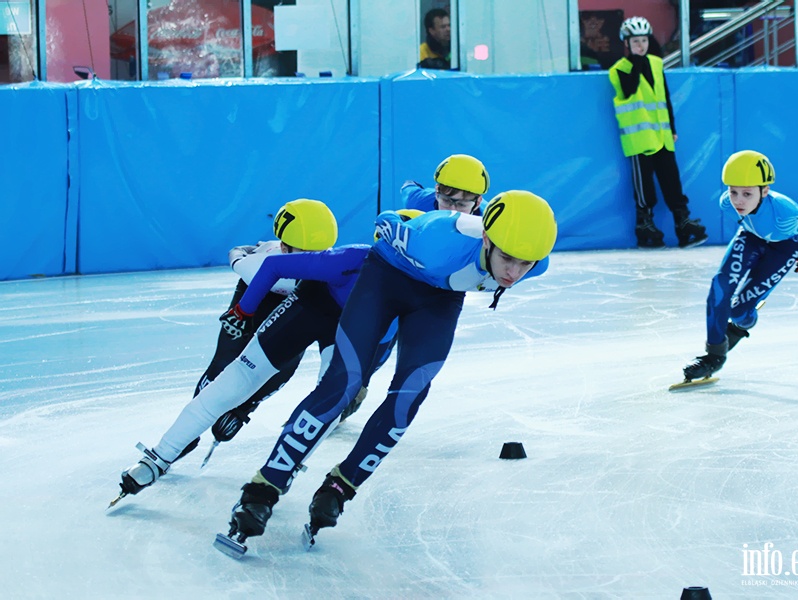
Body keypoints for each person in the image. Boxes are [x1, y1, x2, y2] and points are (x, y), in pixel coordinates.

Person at [218, 190, 558, 552]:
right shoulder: (435, 241)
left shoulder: (537, 262)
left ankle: (341, 485)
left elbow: (517, 260)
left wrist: (517, 260)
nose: (514, 273)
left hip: (438, 297)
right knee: (343, 382)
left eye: (526, 264)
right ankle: (263, 487)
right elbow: (390, 220)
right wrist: (399, 221)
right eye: (507, 258)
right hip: (387, 277)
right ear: (488, 238)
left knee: (409, 397)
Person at [113, 199, 397, 504]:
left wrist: (358, 381)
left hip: (340, 318)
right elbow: (267, 265)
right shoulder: (329, 260)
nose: (304, 258)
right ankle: (162, 455)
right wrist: (242, 311)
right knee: (232, 375)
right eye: (298, 252)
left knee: (330, 396)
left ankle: (273, 472)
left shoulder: (404, 296)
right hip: (305, 303)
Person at [681, 150, 798, 381]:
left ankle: (740, 328)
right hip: (752, 236)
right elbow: (750, 221)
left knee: (739, 311)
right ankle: (714, 355)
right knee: (720, 286)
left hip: (784, 245)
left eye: (747, 193)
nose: (738, 201)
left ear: (765, 191)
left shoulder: (786, 218)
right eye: (733, 192)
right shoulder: (727, 204)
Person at [179, 204, 307, 461]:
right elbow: (237, 254)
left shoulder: (326, 267)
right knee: (224, 362)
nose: (310, 259)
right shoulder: (259, 262)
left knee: (283, 365)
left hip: (299, 299)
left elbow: (237, 251)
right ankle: (187, 432)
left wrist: (243, 408)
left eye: (316, 252)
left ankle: (242, 407)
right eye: (303, 251)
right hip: (255, 292)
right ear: (283, 247)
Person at [608, 16, 708, 249]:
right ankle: (645, 225)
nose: (640, 46)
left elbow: (664, 98)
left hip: (662, 137)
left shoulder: (656, 63)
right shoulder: (619, 70)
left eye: (644, 40)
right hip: (639, 140)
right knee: (645, 188)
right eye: (635, 42)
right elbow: (630, 89)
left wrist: (672, 128)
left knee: (672, 181)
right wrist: (636, 61)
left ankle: (682, 222)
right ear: (627, 44)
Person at [402, 153, 489, 216]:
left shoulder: (488, 221)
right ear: (436, 193)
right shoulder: (418, 202)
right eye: (446, 201)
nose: (452, 211)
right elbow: (407, 187)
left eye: (462, 205)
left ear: (477, 203)